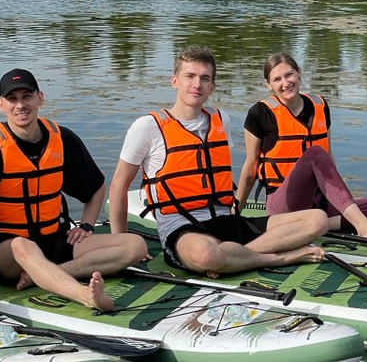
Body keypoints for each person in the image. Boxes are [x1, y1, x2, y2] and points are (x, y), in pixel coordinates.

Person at [109, 45, 327, 276]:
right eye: (190, 76)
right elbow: (118, 186)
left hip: (227, 220)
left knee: (317, 220)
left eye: (205, 78)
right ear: (174, 81)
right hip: (183, 228)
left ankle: (234, 258)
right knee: (207, 254)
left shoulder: (220, 119)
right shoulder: (148, 127)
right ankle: (279, 258)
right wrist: (120, 243)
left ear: (212, 86)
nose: (197, 84)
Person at [0, 68, 149, 311]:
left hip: (53, 241)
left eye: (27, 96)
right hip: (3, 251)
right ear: (1, 105)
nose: (20, 105)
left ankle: (48, 275)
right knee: (24, 246)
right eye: (12, 99)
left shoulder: (62, 139)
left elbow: (95, 188)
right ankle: (86, 296)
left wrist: (86, 225)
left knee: (135, 246)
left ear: (40, 98)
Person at [235, 52, 367, 242]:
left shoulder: (320, 105)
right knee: (315, 153)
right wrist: (234, 214)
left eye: (289, 75)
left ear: (299, 73)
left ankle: (322, 224)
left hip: (319, 202)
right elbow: (251, 171)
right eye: (277, 79)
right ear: (268, 84)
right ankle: (362, 227)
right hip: (284, 204)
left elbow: (329, 158)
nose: (285, 83)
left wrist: (340, 199)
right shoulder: (259, 114)